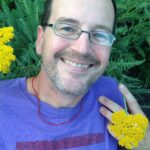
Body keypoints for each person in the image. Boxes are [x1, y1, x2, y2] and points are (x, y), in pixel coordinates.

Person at [0, 0, 149, 149]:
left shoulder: (112, 94)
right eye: (67, 28)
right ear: (41, 39)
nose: (82, 49)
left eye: (100, 35)